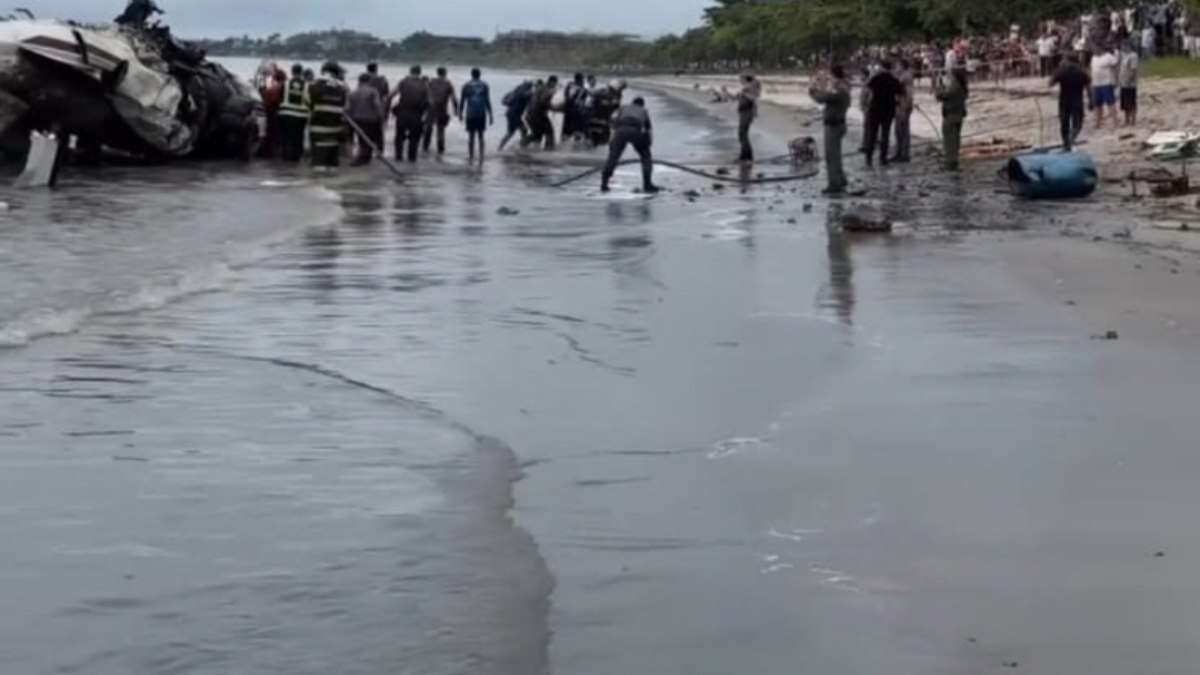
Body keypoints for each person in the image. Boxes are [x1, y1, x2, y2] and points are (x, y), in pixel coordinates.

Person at [601, 96, 659, 194]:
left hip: (620, 131)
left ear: (632, 103)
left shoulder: (623, 108)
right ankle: (647, 184)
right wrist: (647, 145)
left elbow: (613, 122)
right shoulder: (643, 110)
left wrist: (612, 141)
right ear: (642, 104)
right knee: (645, 156)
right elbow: (648, 130)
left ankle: (604, 183)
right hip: (635, 131)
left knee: (613, 158)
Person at [809, 64, 852, 195]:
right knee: (836, 155)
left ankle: (834, 184)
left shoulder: (839, 89)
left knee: (831, 156)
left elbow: (822, 99)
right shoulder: (842, 87)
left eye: (830, 76)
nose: (829, 79)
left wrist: (813, 90)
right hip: (838, 123)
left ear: (834, 76)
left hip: (833, 125)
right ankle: (840, 179)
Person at [307, 61, 349, 168]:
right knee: (332, 164)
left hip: (318, 130)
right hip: (335, 131)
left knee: (318, 164)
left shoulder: (313, 84)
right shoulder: (343, 87)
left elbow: (307, 104)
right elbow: (347, 108)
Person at [863, 60, 903, 167]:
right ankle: (883, 158)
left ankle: (869, 158)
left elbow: (868, 91)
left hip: (875, 109)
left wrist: (866, 104)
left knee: (872, 134)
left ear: (881, 67)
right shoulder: (894, 80)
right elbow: (901, 93)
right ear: (890, 68)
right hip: (888, 110)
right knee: (885, 134)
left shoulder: (875, 78)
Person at [1050, 53, 1091, 152]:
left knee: (1064, 123)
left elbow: (1050, 83)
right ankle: (1071, 139)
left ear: (1068, 61)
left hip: (1064, 100)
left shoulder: (1062, 71)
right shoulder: (1082, 72)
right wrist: (1091, 100)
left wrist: (1057, 71)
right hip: (1077, 100)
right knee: (1077, 123)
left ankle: (1066, 144)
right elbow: (1089, 87)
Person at [391, 65, 429, 162]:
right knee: (414, 139)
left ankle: (398, 158)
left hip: (403, 114)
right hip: (416, 115)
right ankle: (411, 161)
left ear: (410, 71)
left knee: (399, 137)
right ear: (420, 72)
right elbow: (430, 102)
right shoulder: (424, 85)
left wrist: (387, 111)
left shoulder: (403, 82)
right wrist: (426, 118)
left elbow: (391, 95)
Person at [347, 73, 386, 165]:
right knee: (369, 140)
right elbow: (377, 105)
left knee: (362, 140)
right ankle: (361, 159)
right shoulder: (373, 91)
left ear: (359, 81)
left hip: (357, 120)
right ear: (369, 81)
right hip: (370, 119)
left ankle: (364, 159)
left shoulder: (353, 93)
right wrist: (381, 116)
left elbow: (348, 108)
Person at [935, 66, 969, 171]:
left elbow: (941, 96)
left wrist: (939, 86)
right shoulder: (962, 87)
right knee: (955, 140)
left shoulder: (954, 87)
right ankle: (954, 162)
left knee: (949, 141)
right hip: (958, 116)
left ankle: (949, 164)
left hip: (950, 116)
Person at [460, 68, 493, 163]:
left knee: (471, 136)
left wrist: (460, 114)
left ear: (471, 75)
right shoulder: (485, 85)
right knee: (481, 136)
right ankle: (481, 156)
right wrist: (490, 115)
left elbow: (462, 101)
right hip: (481, 113)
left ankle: (471, 156)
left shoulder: (466, 86)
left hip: (470, 114)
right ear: (480, 75)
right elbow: (487, 101)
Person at [423, 67, 458, 156]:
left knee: (428, 128)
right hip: (442, 109)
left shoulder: (431, 82)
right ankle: (440, 151)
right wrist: (456, 110)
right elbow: (454, 98)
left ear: (437, 73)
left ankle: (425, 148)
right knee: (440, 130)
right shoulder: (448, 84)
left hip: (431, 108)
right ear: (445, 73)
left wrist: (423, 107)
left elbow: (425, 94)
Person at [278, 63, 309, 162]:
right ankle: (295, 158)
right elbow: (309, 101)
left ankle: (284, 157)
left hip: (286, 114)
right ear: (301, 72)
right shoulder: (307, 85)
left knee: (286, 137)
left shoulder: (285, 83)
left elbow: (279, 98)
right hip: (301, 116)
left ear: (292, 72)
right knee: (298, 137)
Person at [523, 75, 559, 150]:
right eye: (555, 83)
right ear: (552, 82)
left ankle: (522, 144)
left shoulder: (541, 88)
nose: (555, 85)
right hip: (538, 114)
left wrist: (552, 107)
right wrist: (551, 93)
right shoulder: (546, 89)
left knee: (537, 134)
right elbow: (542, 101)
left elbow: (541, 101)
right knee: (549, 132)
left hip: (531, 114)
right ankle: (549, 149)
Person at [257, 69, 286, 159]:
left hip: (271, 113)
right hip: (280, 114)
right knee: (277, 135)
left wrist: (262, 90)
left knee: (271, 134)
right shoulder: (284, 87)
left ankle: (269, 153)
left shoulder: (273, 89)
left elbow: (267, 99)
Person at [498, 80, 534, 150]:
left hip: (510, 114)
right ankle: (522, 146)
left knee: (514, 132)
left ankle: (500, 147)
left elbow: (504, 101)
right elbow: (528, 95)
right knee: (521, 130)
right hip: (514, 115)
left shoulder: (515, 91)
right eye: (530, 87)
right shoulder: (523, 93)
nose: (531, 88)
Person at [1090, 45, 1119, 128]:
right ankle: (1098, 122)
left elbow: (1115, 67)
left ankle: (1115, 122)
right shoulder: (1093, 58)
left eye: (1095, 48)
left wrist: (1116, 79)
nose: (1094, 50)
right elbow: (1092, 69)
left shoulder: (1108, 56)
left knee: (1110, 103)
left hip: (1106, 83)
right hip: (1096, 84)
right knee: (1097, 104)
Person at [892, 59, 914, 163]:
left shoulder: (906, 77)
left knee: (903, 131)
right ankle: (899, 153)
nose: (896, 68)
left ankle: (904, 155)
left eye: (897, 65)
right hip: (899, 105)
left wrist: (905, 107)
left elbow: (908, 95)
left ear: (902, 66)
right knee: (898, 131)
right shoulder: (902, 77)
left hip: (903, 106)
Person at [736, 73, 761, 163]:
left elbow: (754, 98)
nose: (740, 81)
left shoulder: (750, 87)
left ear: (746, 79)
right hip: (744, 112)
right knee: (742, 135)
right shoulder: (748, 87)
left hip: (747, 113)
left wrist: (743, 94)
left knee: (742, 134)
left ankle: (747, 156)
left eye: (741, 79)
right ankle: (744, 156)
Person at [562, 73, 589, 144]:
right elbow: (581, 102)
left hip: (567, 111)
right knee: (578, 131)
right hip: (576, 112)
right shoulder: (582, 89)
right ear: (580, 80)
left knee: (566, 131)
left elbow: (566, 97)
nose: (583, 81)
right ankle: (576, 148)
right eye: (582, 79)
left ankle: (562, 146)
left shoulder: (569, 86)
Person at [1118, 40, 1140, 126]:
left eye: (1124, 46)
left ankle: (1133, 120)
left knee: (1131, 102)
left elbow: (1133, 70)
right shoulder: (1123, 56)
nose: (1122, 48)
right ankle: (1126, 119)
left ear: (1129, 46)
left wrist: (1129, 80)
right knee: (1124, 103)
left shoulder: (1133, 56)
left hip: (1130, 83)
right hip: (1123, 82)